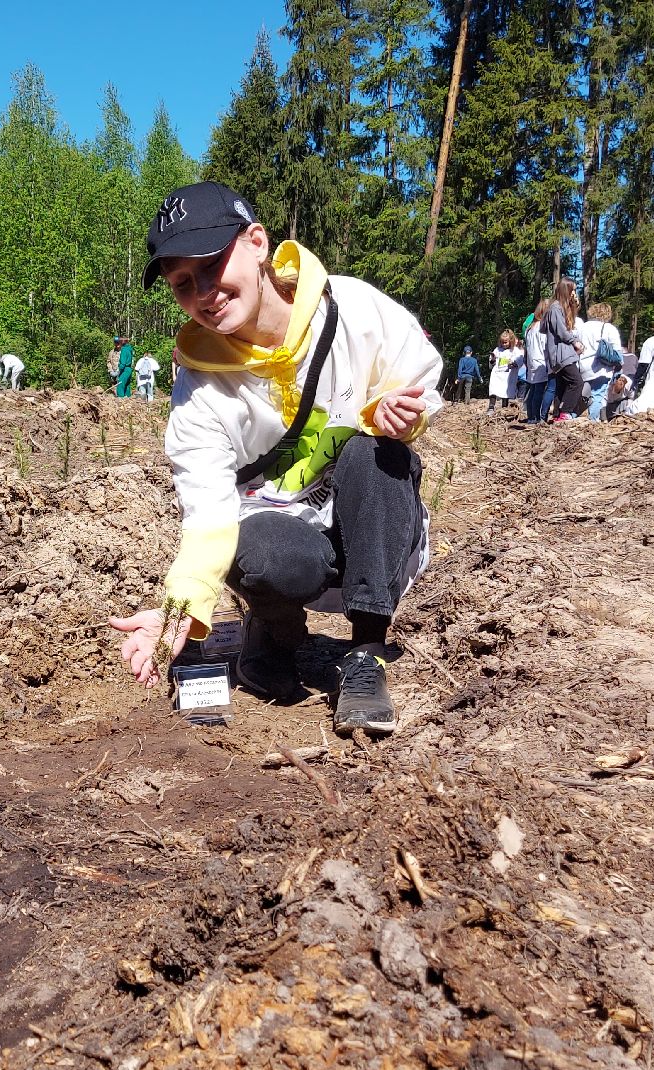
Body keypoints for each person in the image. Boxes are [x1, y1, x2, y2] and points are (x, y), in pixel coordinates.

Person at [108, 181, 443, 737]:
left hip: (368, 526)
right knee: (259, 550)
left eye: (213, 266)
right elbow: (208, 509)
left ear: (257, 242)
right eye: (183, 283)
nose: (205, 293)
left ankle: (365, 655)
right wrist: (178, 614)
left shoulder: (354, 311)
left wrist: (405, 415)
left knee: (377, 454)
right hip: (286, 536)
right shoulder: (199, 390)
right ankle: (273, 630)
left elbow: (420, 376)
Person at [539, 280, 586, 421]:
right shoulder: (555, 308)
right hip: (562, 355)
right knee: (577, 382)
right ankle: (565, 412)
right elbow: (562, 332)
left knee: (562, 385)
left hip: (559, 355)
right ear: (566, 290)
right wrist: (575, 341)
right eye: (572, 290)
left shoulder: (557, 308)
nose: (574, 293)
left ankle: (557, 415)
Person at [578, 303, 627, 421]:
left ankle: (571, 415)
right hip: (602, 368)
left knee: (583, 394)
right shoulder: (609, 328)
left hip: (583, 366)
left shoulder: (583, 327)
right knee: (597, 395)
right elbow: (618, 352)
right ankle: (593, 422)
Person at [520, 300, 551, 423]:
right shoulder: (542, 327)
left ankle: (531, 415)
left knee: (533, 389)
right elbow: (545, 345)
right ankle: (536, 417)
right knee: (539, 390)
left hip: (532, 361)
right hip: (541, 362)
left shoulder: (530, 328)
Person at [486, 330, 522, 416]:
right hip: (497, 374)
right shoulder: (497, 350)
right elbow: (492, 361)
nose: (504, 344)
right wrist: (492, 360)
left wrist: (514, 363)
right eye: (502, 342)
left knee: (505, 391)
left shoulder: (515, 351)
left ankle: (504, 407)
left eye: (505, 342)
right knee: (493, 389)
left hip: (508, 375)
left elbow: (520, 360)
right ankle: (491, 407)